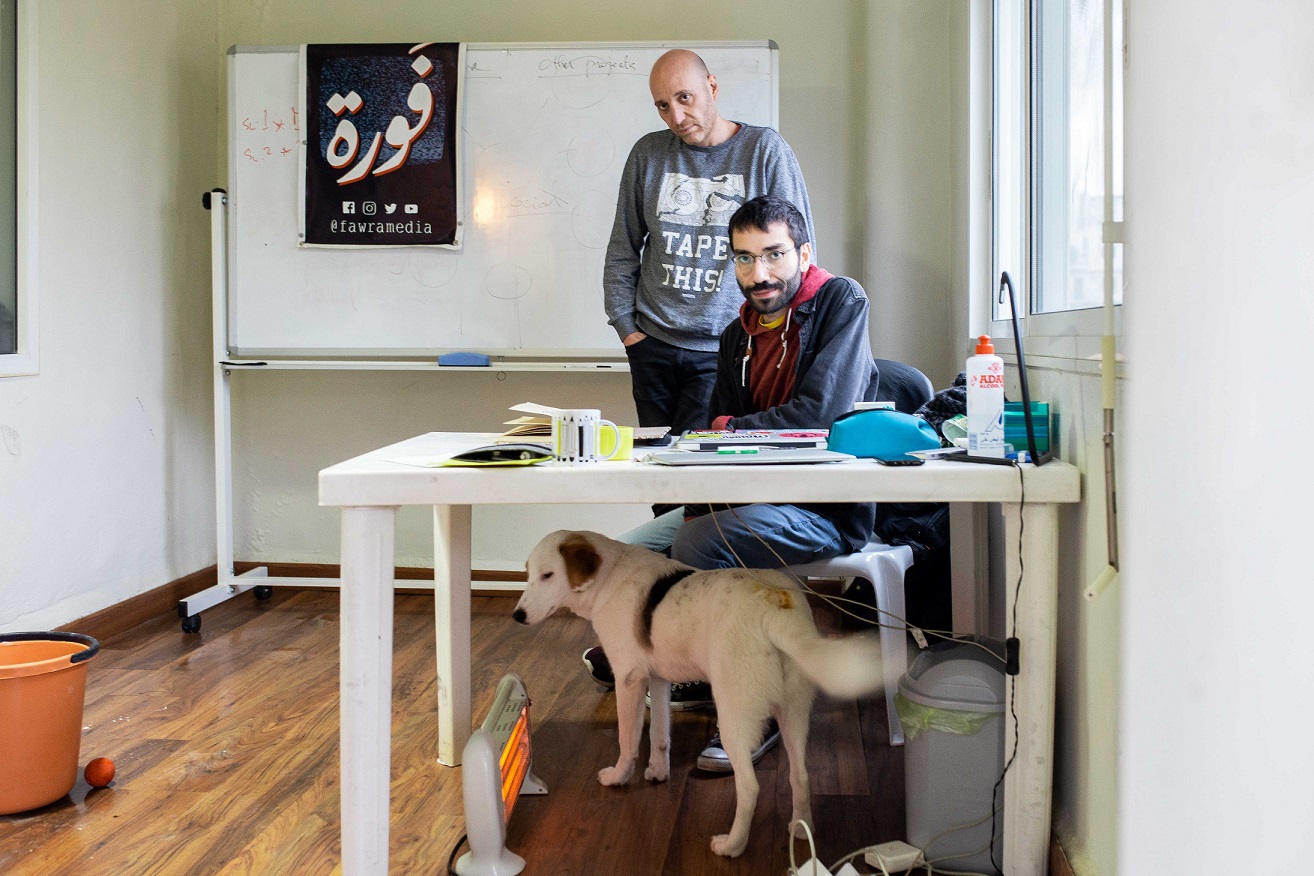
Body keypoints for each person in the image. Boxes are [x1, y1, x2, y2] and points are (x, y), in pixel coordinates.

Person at [586, 194, 881, 772]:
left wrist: (726, 430)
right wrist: (703, 482)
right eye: (744, 259)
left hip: (823, 509)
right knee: (629, 555)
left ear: (804, 252)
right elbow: (720, 443)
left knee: (698, 544)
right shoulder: (735, 336)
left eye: (773, 255)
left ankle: (759, 706)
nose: (759, 273)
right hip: (751, 500)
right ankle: (686, 665)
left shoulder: (841, 302)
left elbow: (819, 416)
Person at [603, 49, 815, 456]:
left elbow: (798, 255)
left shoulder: (764, 150)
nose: (676, 118)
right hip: (652, 343)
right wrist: (628, 331)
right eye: (663, 106)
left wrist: (776, 340)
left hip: (728, 347)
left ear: (712, 87)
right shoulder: (648, 154)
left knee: (701, 476)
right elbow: (622, 247)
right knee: (658, 472)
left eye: (685, 98)